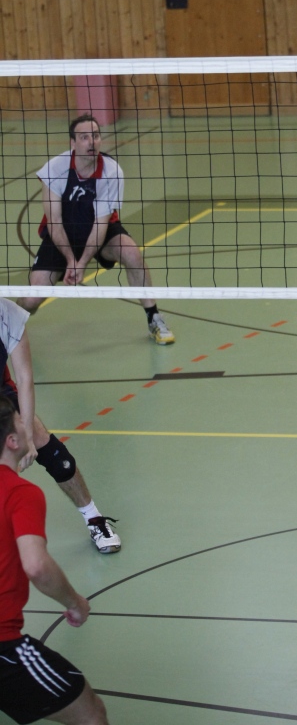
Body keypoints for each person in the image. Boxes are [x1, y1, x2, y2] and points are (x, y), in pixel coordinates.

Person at [0, 393, 109, 724]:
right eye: (21, 420)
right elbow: (36, 566)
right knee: (92, 713)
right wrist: (75, 602)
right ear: (13, 441)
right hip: (3, 645)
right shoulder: (21, 493)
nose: (29, 422)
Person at [18, 115, 174, 345]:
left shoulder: (111, 172)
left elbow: (101, 225)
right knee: (32, 298)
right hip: (63, 233)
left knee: (132, 253)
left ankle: (154, 317)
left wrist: (81, 264)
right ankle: (10, 322)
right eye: (84, 137)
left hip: (99, 230)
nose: (91, 142)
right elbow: (55, 222)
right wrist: (70, 259)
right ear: (73, 143)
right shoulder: (54, 169)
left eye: (95, 136)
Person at [0, 298, 121, 554]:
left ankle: (94, 518)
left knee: (47, 445)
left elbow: (25, 378)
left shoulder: (8, 314)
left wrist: (28, 436)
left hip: (2, 391)